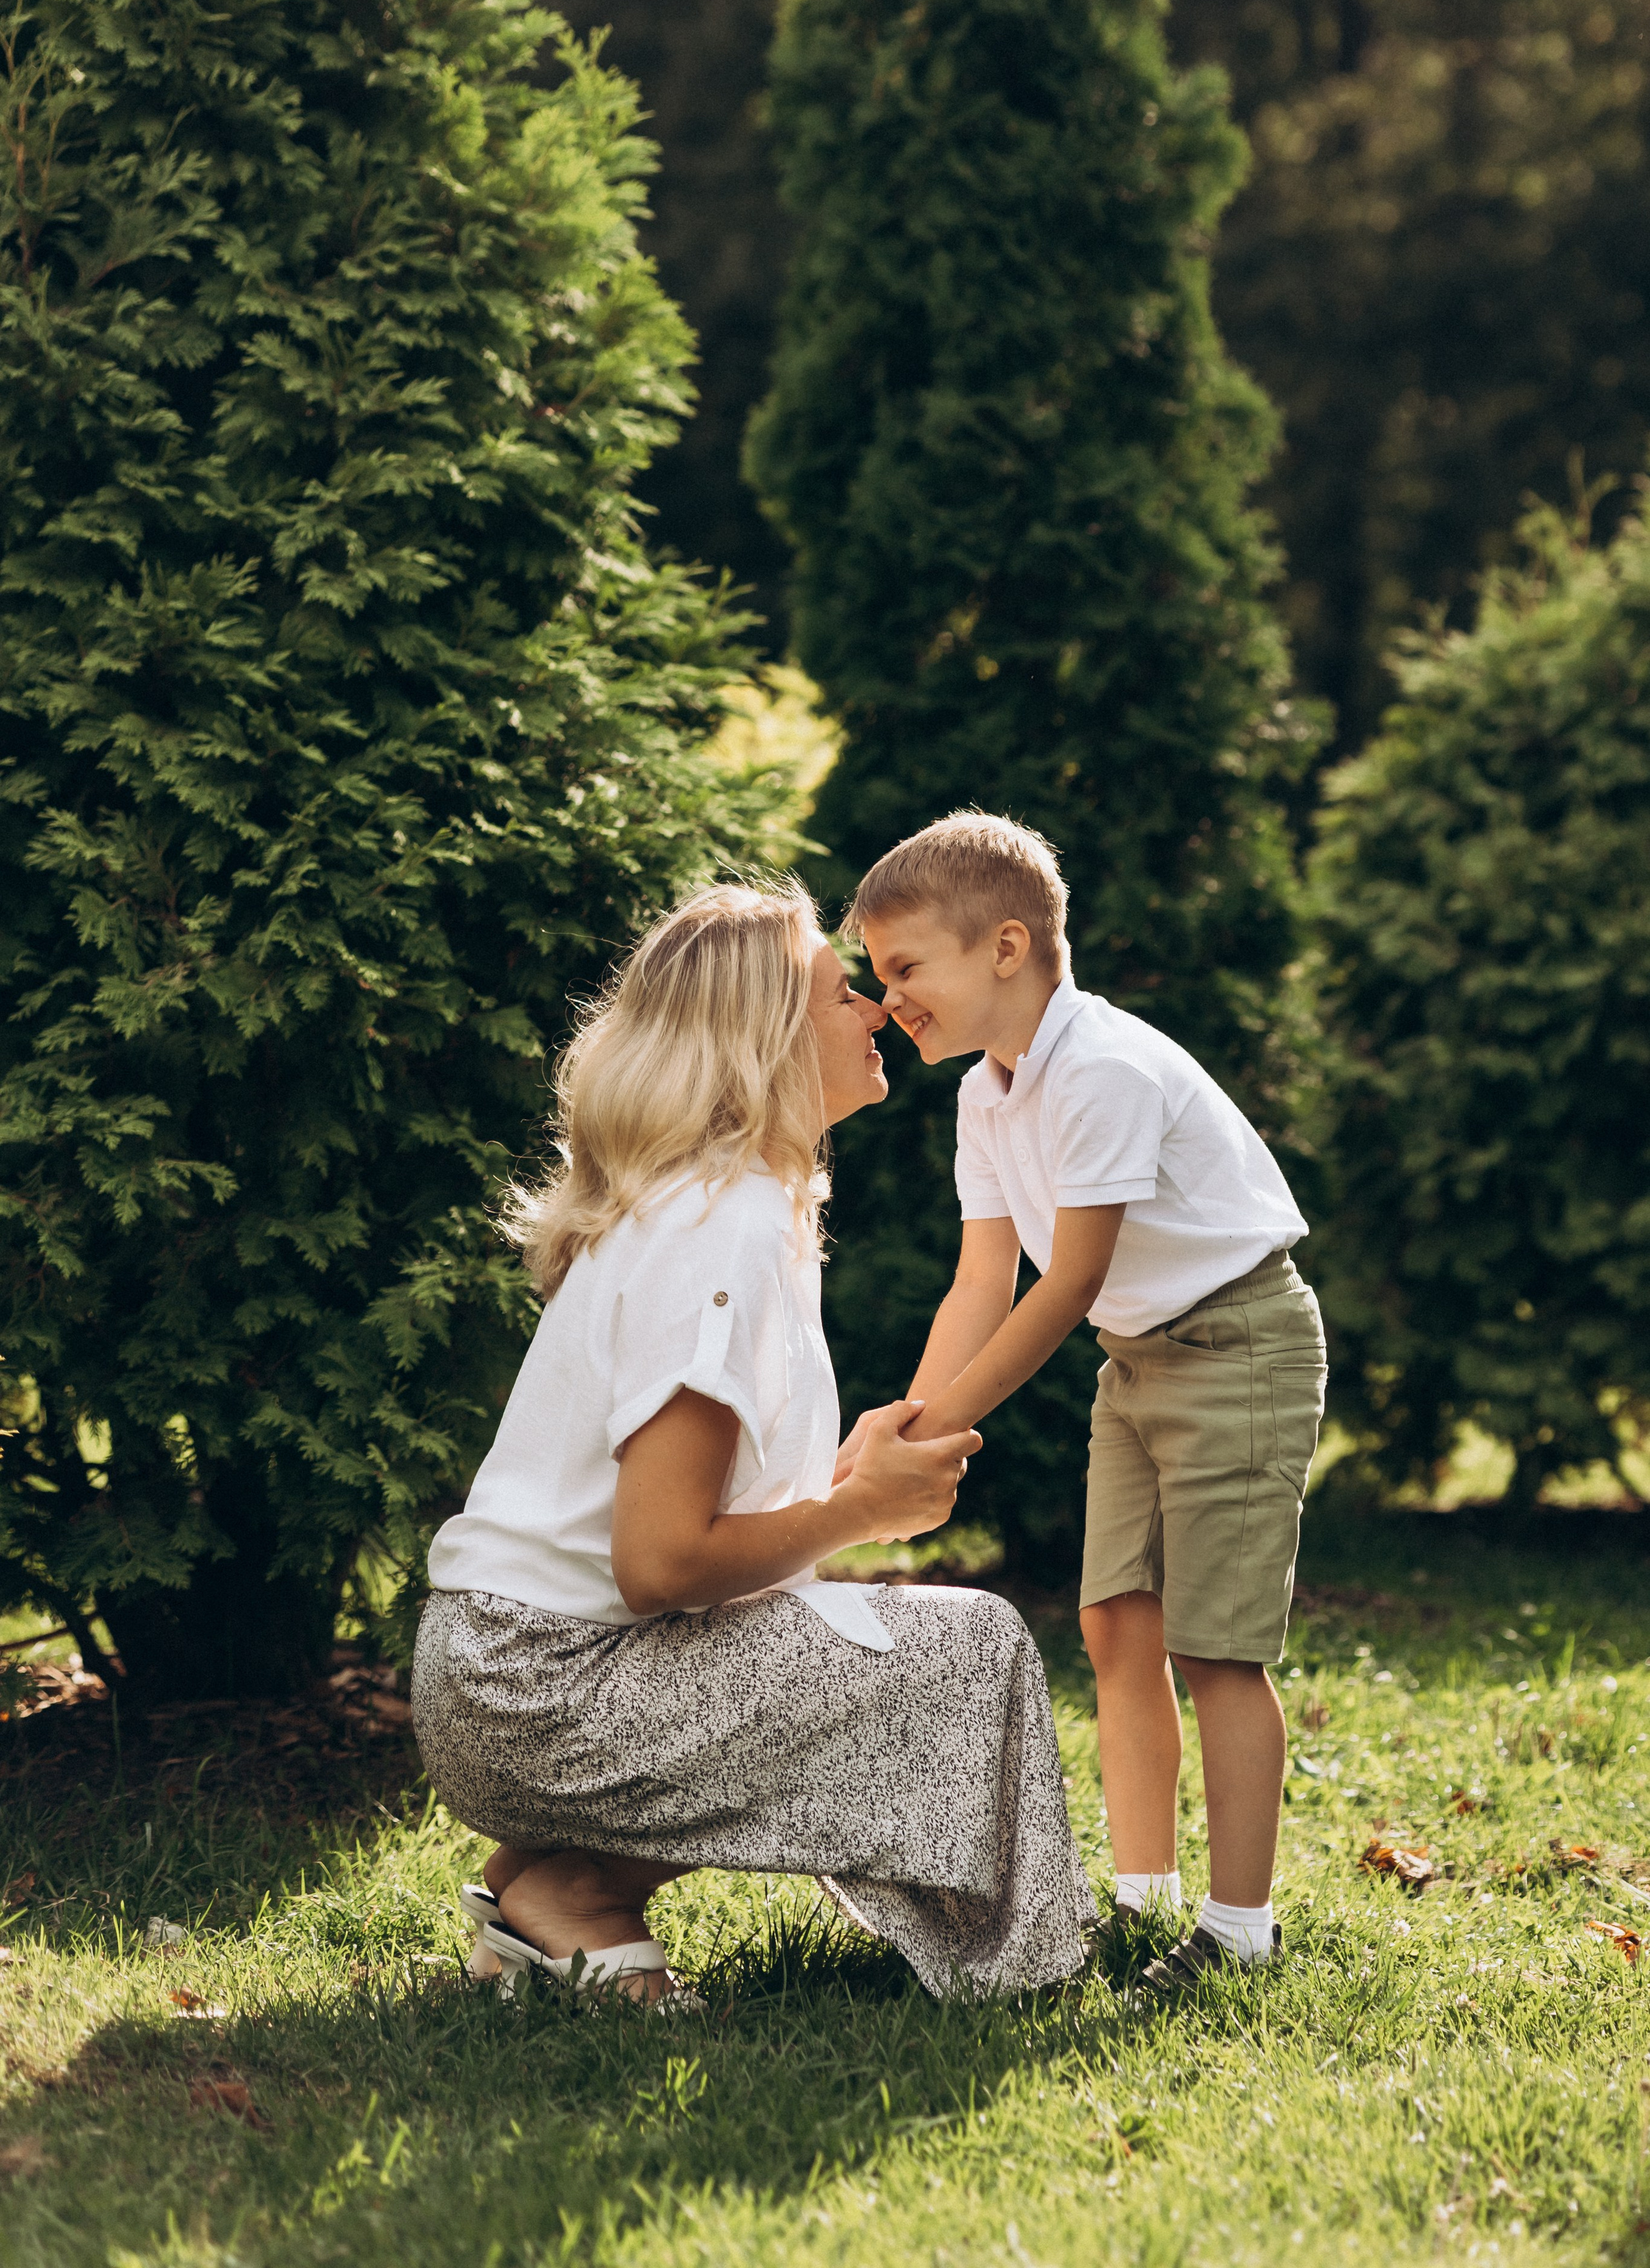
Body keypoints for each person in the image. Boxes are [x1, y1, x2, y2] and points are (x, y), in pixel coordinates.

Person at [412, 880, 1098, 2005]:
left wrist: (835, 1482)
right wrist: (863, 1512)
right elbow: (662, 1565)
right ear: (766, 1041)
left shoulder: (716, 1205)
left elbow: (672, 1517)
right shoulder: (718, 1226)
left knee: (891, 1634)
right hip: (541, 1692)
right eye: (841, 993)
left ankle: (547, 1886)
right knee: (971, 1650)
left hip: (501, 1676)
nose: (877, 1010)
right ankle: (579, 1894)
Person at [844, 813, 1326, 2000]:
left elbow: (1070, 1284)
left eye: (907, 969)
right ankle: (1141, 1901)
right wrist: (914, 1425)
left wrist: (942, 1425)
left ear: (1006, 948)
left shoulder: (1101, 1069)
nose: (889, 998)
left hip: (1238, 1348)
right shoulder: (988, 1097)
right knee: (1117, 1625)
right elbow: (983, 1281)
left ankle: (1239, 1935)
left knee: (1217, 1648)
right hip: (1140, 1364)